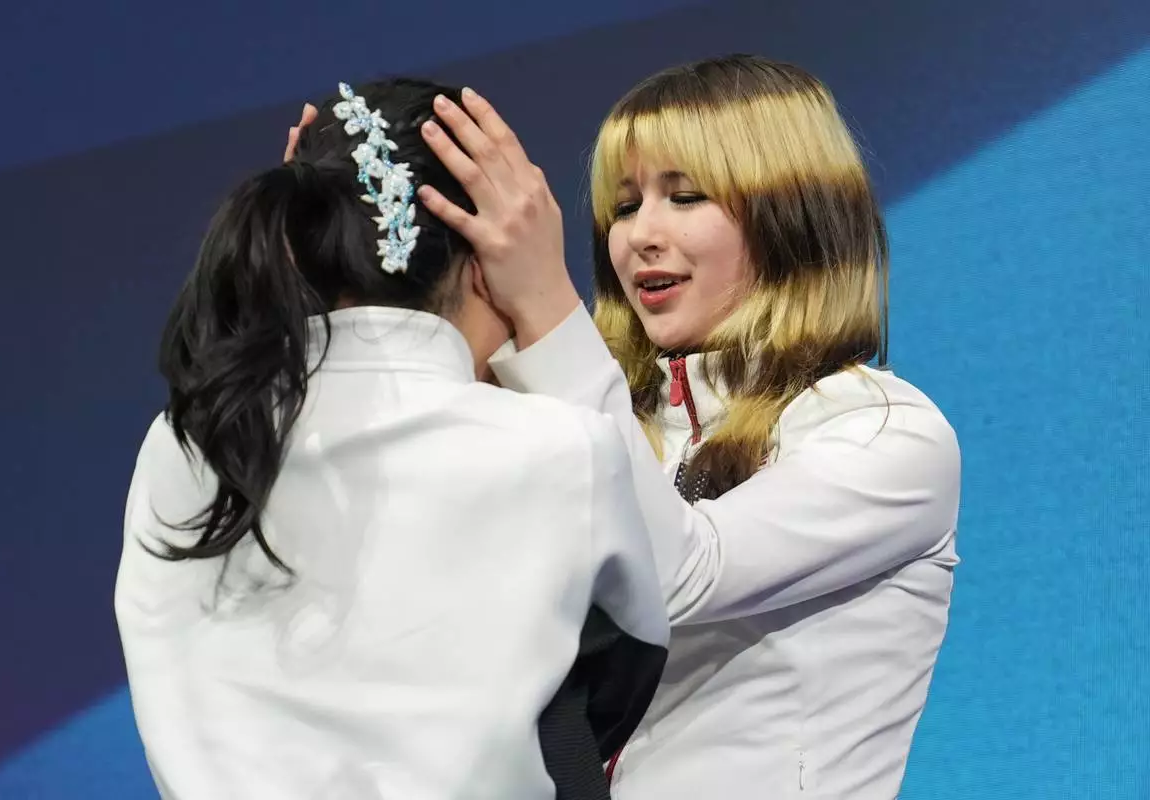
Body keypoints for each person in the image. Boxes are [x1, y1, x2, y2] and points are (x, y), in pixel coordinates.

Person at [406, 55, 962, 798]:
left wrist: (543, 302)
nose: (641, 235)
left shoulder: (884, 431)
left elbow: (677, 576)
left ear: (790, 215)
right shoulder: (590, 416)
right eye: (627, 205)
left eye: (686, 196)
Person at [116, 77, 670, 800]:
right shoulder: (562, 449)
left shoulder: (186, 444)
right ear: (485, 266)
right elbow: (632, 657)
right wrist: (547, 302)